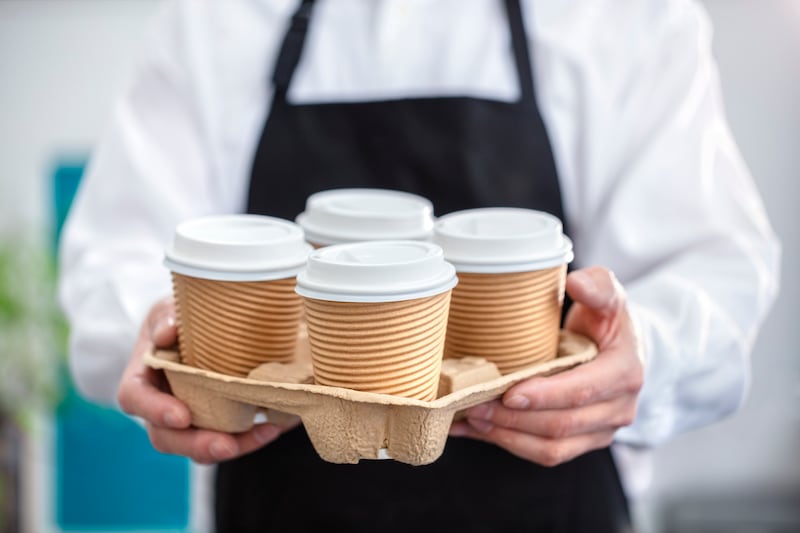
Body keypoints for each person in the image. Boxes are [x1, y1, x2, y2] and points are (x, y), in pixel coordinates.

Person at [58, 0, 781, 531]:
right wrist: (162, 336)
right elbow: (113, 264)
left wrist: (644, 347)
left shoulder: (622, 18)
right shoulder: (215, 22)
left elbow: (715, 269)